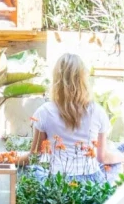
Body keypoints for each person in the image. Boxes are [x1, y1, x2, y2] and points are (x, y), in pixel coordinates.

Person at [31, 52, 111, 180]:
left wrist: (7, 159)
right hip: (91, 181)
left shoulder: (44, 112)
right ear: (83, 79)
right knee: (116, 165)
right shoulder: (98, 111)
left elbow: (35, 156)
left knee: (34, 169)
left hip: (58, 182)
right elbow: (102, 157)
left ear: (57, 79)